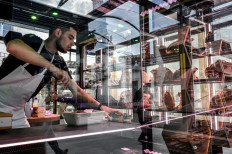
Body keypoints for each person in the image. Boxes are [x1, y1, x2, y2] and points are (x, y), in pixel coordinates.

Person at [0, 25, 122, 153]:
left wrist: (100, 107)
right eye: (70, 38)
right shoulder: (34, 41)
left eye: (74, 41)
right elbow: (12, 46)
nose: (72, 44)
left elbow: (77, 90)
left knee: (30, 148)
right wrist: (52, 68)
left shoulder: (59, 61)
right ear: (58, 32)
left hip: (17, 111)